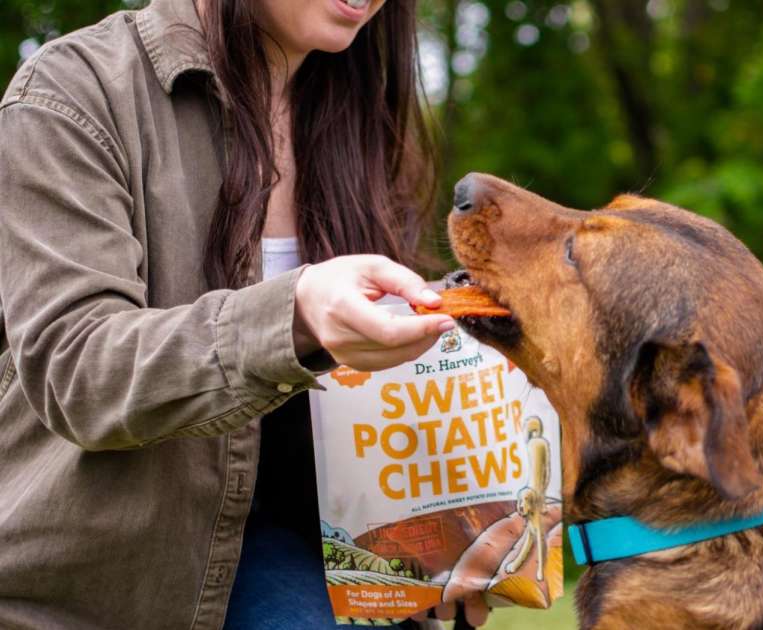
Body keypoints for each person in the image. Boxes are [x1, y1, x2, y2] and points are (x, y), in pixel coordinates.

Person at [0, 0, 488, 627]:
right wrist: (295, 313)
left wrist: (455, 528)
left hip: (297, 551)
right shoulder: (71, 93)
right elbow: (79, 369)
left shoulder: (359, 116)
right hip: (99, 589)